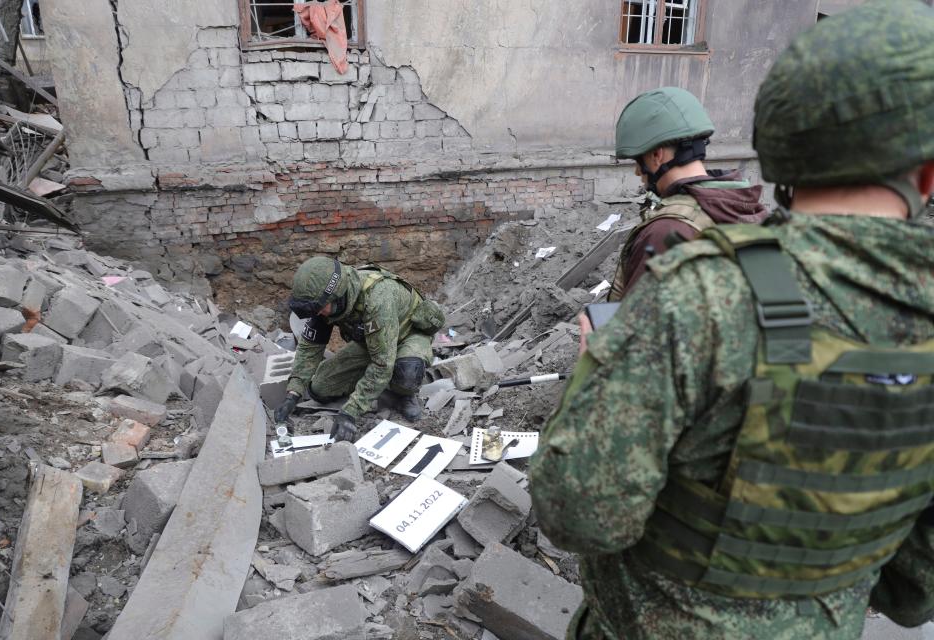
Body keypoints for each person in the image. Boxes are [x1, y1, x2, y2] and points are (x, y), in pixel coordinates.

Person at [530, 1, 934, 638]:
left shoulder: (702, 296)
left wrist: (595, 368)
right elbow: (914, 593)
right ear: (928, 173)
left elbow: (579, 511)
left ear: (783, 147)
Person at [607, 86, 768, 301]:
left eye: (638, 161)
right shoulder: (748, 210)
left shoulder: (667, 232)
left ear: (656, 155)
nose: (638, 172)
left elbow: (635, 329)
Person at [274, 257, 445, 443]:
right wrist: (293, 394)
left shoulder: (378, 299)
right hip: (372, 342)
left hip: (407, 336)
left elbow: (381, 365)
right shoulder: (324, 304)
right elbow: (309, 349)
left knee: (407, 373)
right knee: (319, 389)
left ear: (338, 296)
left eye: (321, 308)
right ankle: (375, 383)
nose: (318, 313)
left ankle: (403, 393)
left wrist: (350, 411)